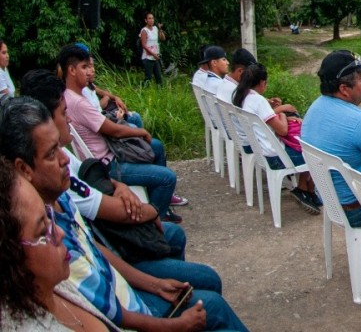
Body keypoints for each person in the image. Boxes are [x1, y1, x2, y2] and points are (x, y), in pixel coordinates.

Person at [0, 97, 248, 332]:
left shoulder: (60, 194)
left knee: (203, 281)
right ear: (23, 168)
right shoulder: (43, 249)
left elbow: (94, 251)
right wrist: (150, 212)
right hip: (132, 306)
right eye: (52, 153)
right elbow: (110, 314)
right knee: (213, 303)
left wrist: (154, 283)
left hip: (125, 288)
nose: (65, 159)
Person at [59, 44, 181, 223]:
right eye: (84, 67)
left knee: (155, 146)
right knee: (167, 178)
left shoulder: (76, 94)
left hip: (110, 152)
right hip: (109, 164)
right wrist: (141, 132)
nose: (89, 71)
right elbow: (113, 130)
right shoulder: (78, 102)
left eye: (89, 66)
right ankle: (155, 222)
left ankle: (156, 201)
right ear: (71, 70)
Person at [0, 159, 119, 331]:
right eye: (42, 231)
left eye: (49, 215)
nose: (60, 232)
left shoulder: (47, 283)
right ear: (8, 256)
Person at [301, 50, 361, 228]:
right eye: (360, 78)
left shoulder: (315, 108)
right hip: (357, 210)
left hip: (332, 201)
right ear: (344, 89)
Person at [232, 63, 319, 214]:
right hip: (277, 157)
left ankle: (308, 191)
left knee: (305, 147)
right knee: (315, 152)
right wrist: (284, 114)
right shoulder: (258, 100)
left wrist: (275, 111)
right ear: (261, 82)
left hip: (264, 153)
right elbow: (283, 130)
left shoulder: (244, 97)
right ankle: (303, 189)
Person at [139, 13, 166, 87]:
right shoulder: (144, 31)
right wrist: (153, 54)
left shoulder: (155, 28)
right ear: (146, 20)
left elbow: (163, 39)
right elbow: (144, 45)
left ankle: (161, 92)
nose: (151, 20)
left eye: (152, 18)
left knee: (159, 77)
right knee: (148, 77)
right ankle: (142, 91)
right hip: (147, 57)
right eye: (149, 18)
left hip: (155, 57)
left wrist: (160, 29)